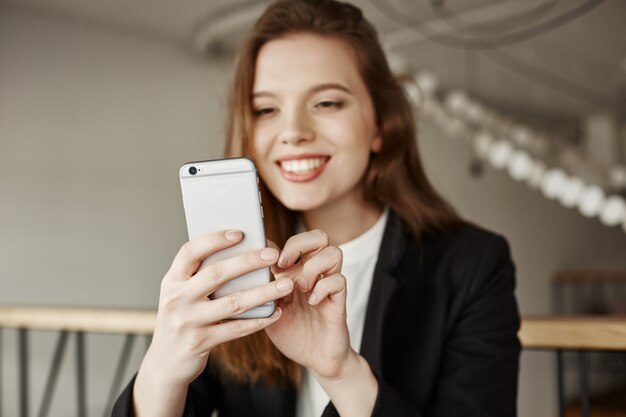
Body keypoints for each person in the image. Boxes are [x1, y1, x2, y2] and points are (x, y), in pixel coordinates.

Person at [113, 0, 521, 415]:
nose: (292, 133)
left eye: (327, 103)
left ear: (380, 125)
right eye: (266, 109)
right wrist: (163, 368)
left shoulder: (472, 265)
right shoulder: (234, 266)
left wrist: (342, 373)